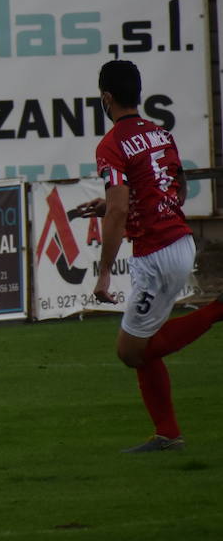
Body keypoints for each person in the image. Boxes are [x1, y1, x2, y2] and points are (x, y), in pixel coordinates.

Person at [72, 60, 223, 452]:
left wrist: (104, 273)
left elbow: (122, 210)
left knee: (130, 350)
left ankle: (217, 309)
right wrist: (107, 205)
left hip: (155, 254)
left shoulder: (111, 145)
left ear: (106, 98)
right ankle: (167, 434)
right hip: (178, 240)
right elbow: (173, 188)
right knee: (142, 344)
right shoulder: (160, 134)